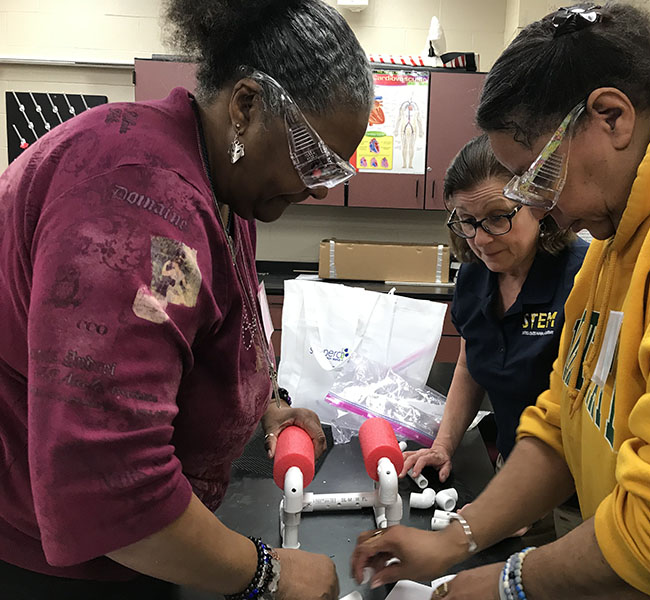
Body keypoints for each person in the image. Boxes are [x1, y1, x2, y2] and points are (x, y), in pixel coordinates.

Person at [352, 3, 650, 599]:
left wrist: (508, 582)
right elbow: (566, 418)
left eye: (538, 178)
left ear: (610, 116)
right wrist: (455, 539)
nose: (542, 208)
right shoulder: (629, 231)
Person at [0, 0, 372, 598]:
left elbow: (205, 335)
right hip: (55, 563)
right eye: (311, 159)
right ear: (247, 106)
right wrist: (270, 574)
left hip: (148, 548)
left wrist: (264, 409)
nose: (316, 187)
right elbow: (107, 486)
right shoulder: (132, 201)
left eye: (333, 170)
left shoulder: (222, 187)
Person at [402, 135, 587, 484]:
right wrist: (443, 445)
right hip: (511, 471)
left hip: (571, 486)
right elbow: (470, 364)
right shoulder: (475, 276)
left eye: (498, 217)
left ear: (538, 203)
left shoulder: (582, 278)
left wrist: (514, 505)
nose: (482, 239)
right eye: (467, 220)